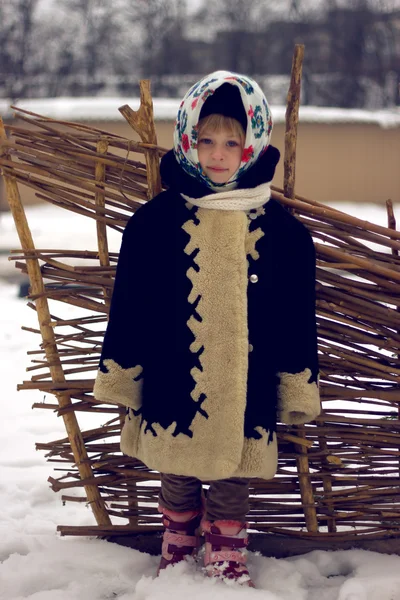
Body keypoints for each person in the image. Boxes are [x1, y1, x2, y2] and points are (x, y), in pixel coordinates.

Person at [93, 70, 321, 587]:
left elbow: (294, 318)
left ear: (252, 146)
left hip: (247, 380)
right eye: (206, 140)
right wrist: (124, 375)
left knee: (234, 474)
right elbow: (129, 304)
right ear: (187, 140)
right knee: (175, 464)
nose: (217, 155)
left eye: (232, 143)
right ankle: (177, 537)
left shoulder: (283, 234)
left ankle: (227, 544)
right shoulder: (154, 223)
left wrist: (295, 384)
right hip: (175, 370)